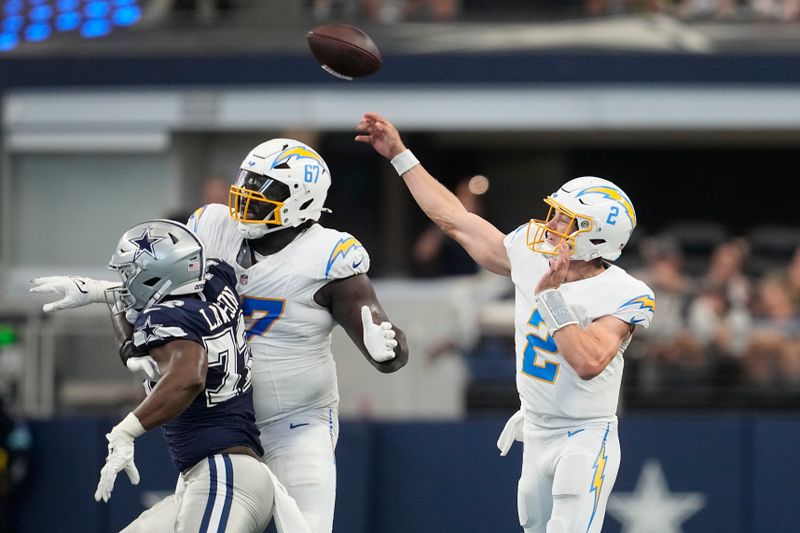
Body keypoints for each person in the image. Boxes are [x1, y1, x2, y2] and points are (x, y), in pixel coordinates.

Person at [31, 140, 409, 533]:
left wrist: (387, 349)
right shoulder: (213, 226)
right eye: (247, 181)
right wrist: (99, 290)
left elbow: (384, 340)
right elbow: (163, 284)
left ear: (301, 200)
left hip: (295, 423)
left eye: (264, 189)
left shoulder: (327, 255)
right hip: (223, 427)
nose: (247, 196)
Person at [355, 112, 654, 533]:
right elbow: (455, 221)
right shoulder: (533, 256)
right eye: (554, 214)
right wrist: (400, 155)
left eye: (565, 220)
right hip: (535, 428)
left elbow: (587, 362)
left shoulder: (624, 293)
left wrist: (550, 297)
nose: (550, 226)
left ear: (597, 235)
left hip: (584, 435)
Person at [34, 220, 308, 533]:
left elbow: (189, 376)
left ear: (156, 277)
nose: (126, 283)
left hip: (224, 475)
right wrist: (102, 294)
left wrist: (127, 430)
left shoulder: (163, 317)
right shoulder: (216, 278)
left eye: (130, 274)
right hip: (219, 477)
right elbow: (145, 323)